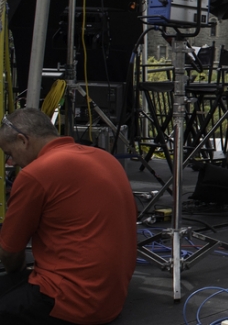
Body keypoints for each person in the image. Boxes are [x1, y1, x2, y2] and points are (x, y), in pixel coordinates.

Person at [0, 108, 136, 324]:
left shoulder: (36, 174)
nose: (11, 162)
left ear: (23, 140)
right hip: (111, 296)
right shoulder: (105, 158)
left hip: (71, 302)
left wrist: (16, 275)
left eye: (10, 153)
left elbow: (9, 252)